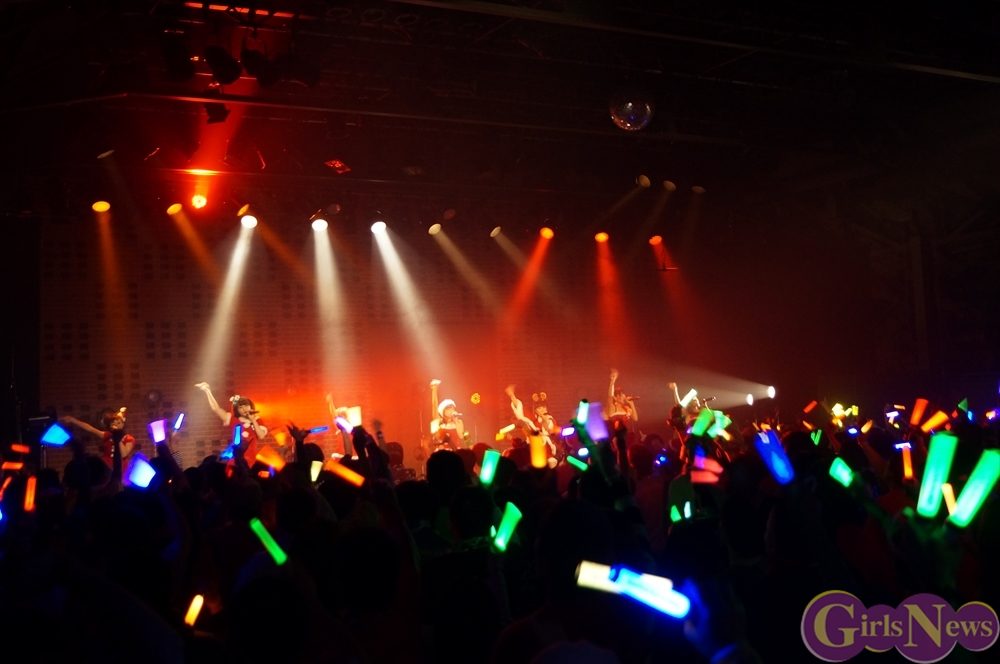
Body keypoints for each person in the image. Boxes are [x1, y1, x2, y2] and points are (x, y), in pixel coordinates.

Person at [195, 382, 268, 465]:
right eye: (240, 407)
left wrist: (253, 420)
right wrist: (208, 391)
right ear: (237, 410)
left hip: (251, 461)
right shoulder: (235, 421)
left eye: (246, 405)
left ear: (251, 406)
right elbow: (216, 409)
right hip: (236, 461)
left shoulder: (257, 421)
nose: (244, 409)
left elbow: (261, 436)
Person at [60, 407, 134, 469]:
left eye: (118, 423)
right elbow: (90, 429)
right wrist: (72, 420)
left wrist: (117, 437)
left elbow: (124, 454)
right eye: (113, 423)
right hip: (106, 465)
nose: (116, 425)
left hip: (120, 467)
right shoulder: (107, 435)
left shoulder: (129, 438)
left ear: (123, 424)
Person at [505, 385, 558, 462]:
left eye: (543, 407)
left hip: (547, 450)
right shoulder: (533, 420)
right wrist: (512, 395)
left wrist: (545, 419)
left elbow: (550, 430)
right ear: (535, 409)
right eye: (539, 407)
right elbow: (520, 411)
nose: (542, 409)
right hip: (533, 450)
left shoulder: (550, 419)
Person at [430, 379, 464, 450]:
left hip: (454, 451)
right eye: (448, 409)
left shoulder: (459, 422)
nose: (451, 411)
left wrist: (456, 421)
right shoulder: (439, 422)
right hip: (442, 451)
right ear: (443, 412)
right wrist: (434, 390)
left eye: (452, 409)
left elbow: (461, 436)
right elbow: (434, 406)